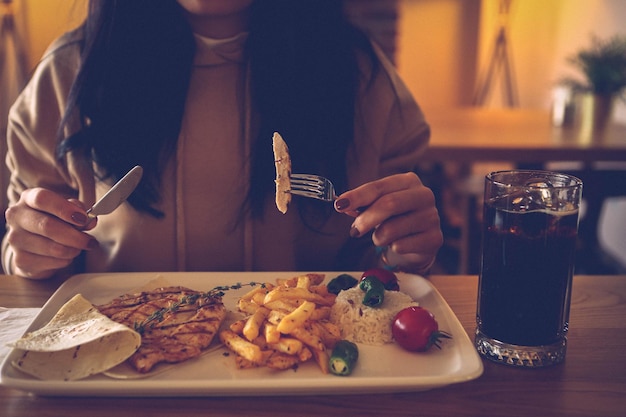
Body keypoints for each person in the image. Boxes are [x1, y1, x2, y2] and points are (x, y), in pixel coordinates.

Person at [2, 0, 442, 280]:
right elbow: (26, 253)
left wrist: (407, 252)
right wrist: (29, 251)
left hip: (307, 376)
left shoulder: (359, 74)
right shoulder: (68, 74)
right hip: (122, 375)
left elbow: (388, 267)